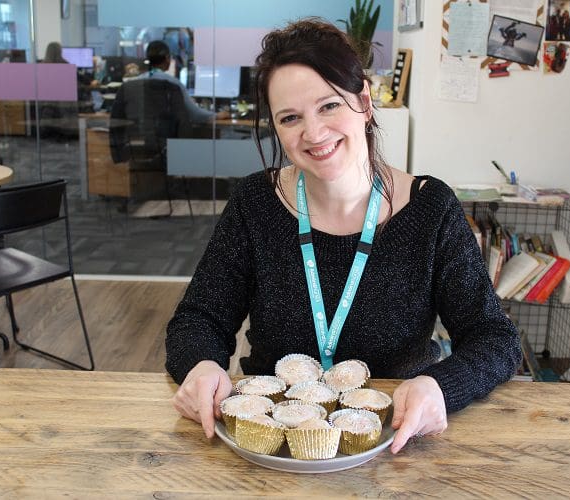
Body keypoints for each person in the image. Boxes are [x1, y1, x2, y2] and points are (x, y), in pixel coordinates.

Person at [165, 18, 521, 454]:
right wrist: (200, 365)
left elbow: (494, 337)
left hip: (396, 442)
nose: (313, 134)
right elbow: (199, 318)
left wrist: (440, 386)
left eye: (329, 106)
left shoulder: (430, 209)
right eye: (290, 117)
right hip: (271, 445)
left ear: (365, 101)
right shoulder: (256, 202)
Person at [135, 40, 228, 124]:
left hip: (139, 134)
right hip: (166, 136)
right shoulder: (173, 83)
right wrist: (216, 115)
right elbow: (195, 114)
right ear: (167, 58)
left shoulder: (135, 82)